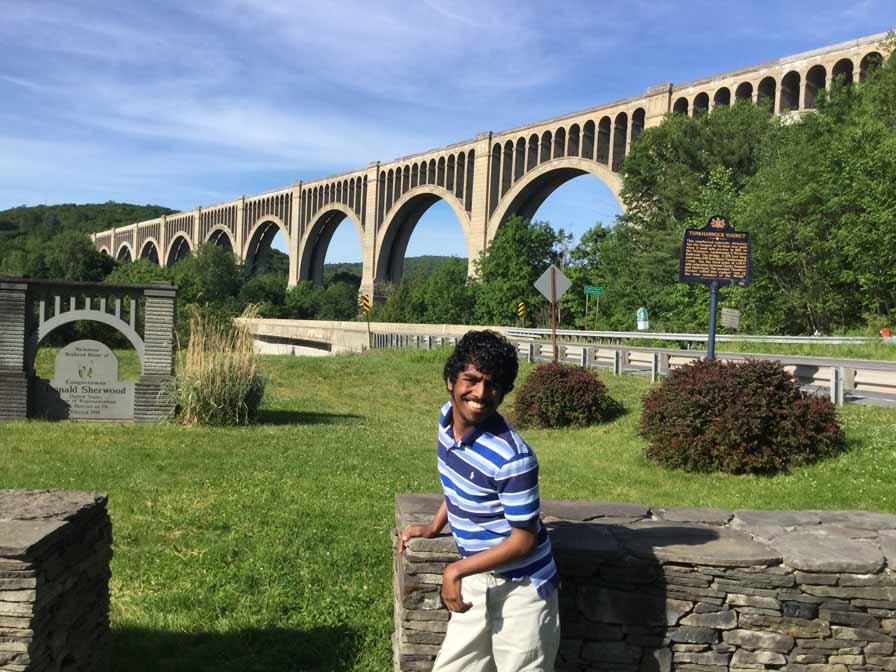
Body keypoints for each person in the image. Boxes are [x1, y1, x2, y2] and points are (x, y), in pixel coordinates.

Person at [398, 330, 560, 672]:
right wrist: (433, 527)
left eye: (493, 384)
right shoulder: (446, 421)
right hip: (476, 577)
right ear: (450, 381)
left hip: (523, 591)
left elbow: (525, 540)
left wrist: (456, 569)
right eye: (471, 380)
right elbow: (457, 485)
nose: (481, 393)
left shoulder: (513, 457)